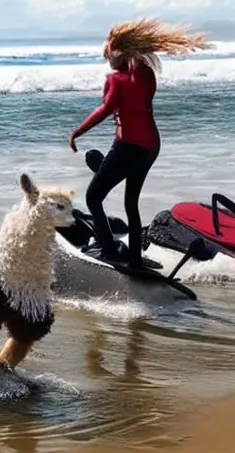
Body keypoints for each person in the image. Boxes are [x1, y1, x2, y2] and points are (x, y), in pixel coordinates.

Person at [69, 18, 207, 268]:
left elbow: (106, 108)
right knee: (130, 203)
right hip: (151, 146)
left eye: (107, 55)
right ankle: (134, 259)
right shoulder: (146, 74)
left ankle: (108, 248)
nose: (107, 61)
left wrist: (77, 132)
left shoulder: (115, 80)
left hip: (127, 146)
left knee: (93, 198)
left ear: (118, 53)